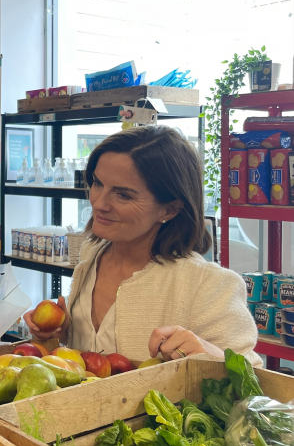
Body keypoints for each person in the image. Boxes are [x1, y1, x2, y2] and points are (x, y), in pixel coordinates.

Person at [24, 126, 260, 366]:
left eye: (123, 195)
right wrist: (59, 334)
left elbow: (254, 378)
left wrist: (211, 356)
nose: (99, 203)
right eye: (97, 183)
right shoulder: (92, 254)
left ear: (169, 209)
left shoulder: (209, 284)